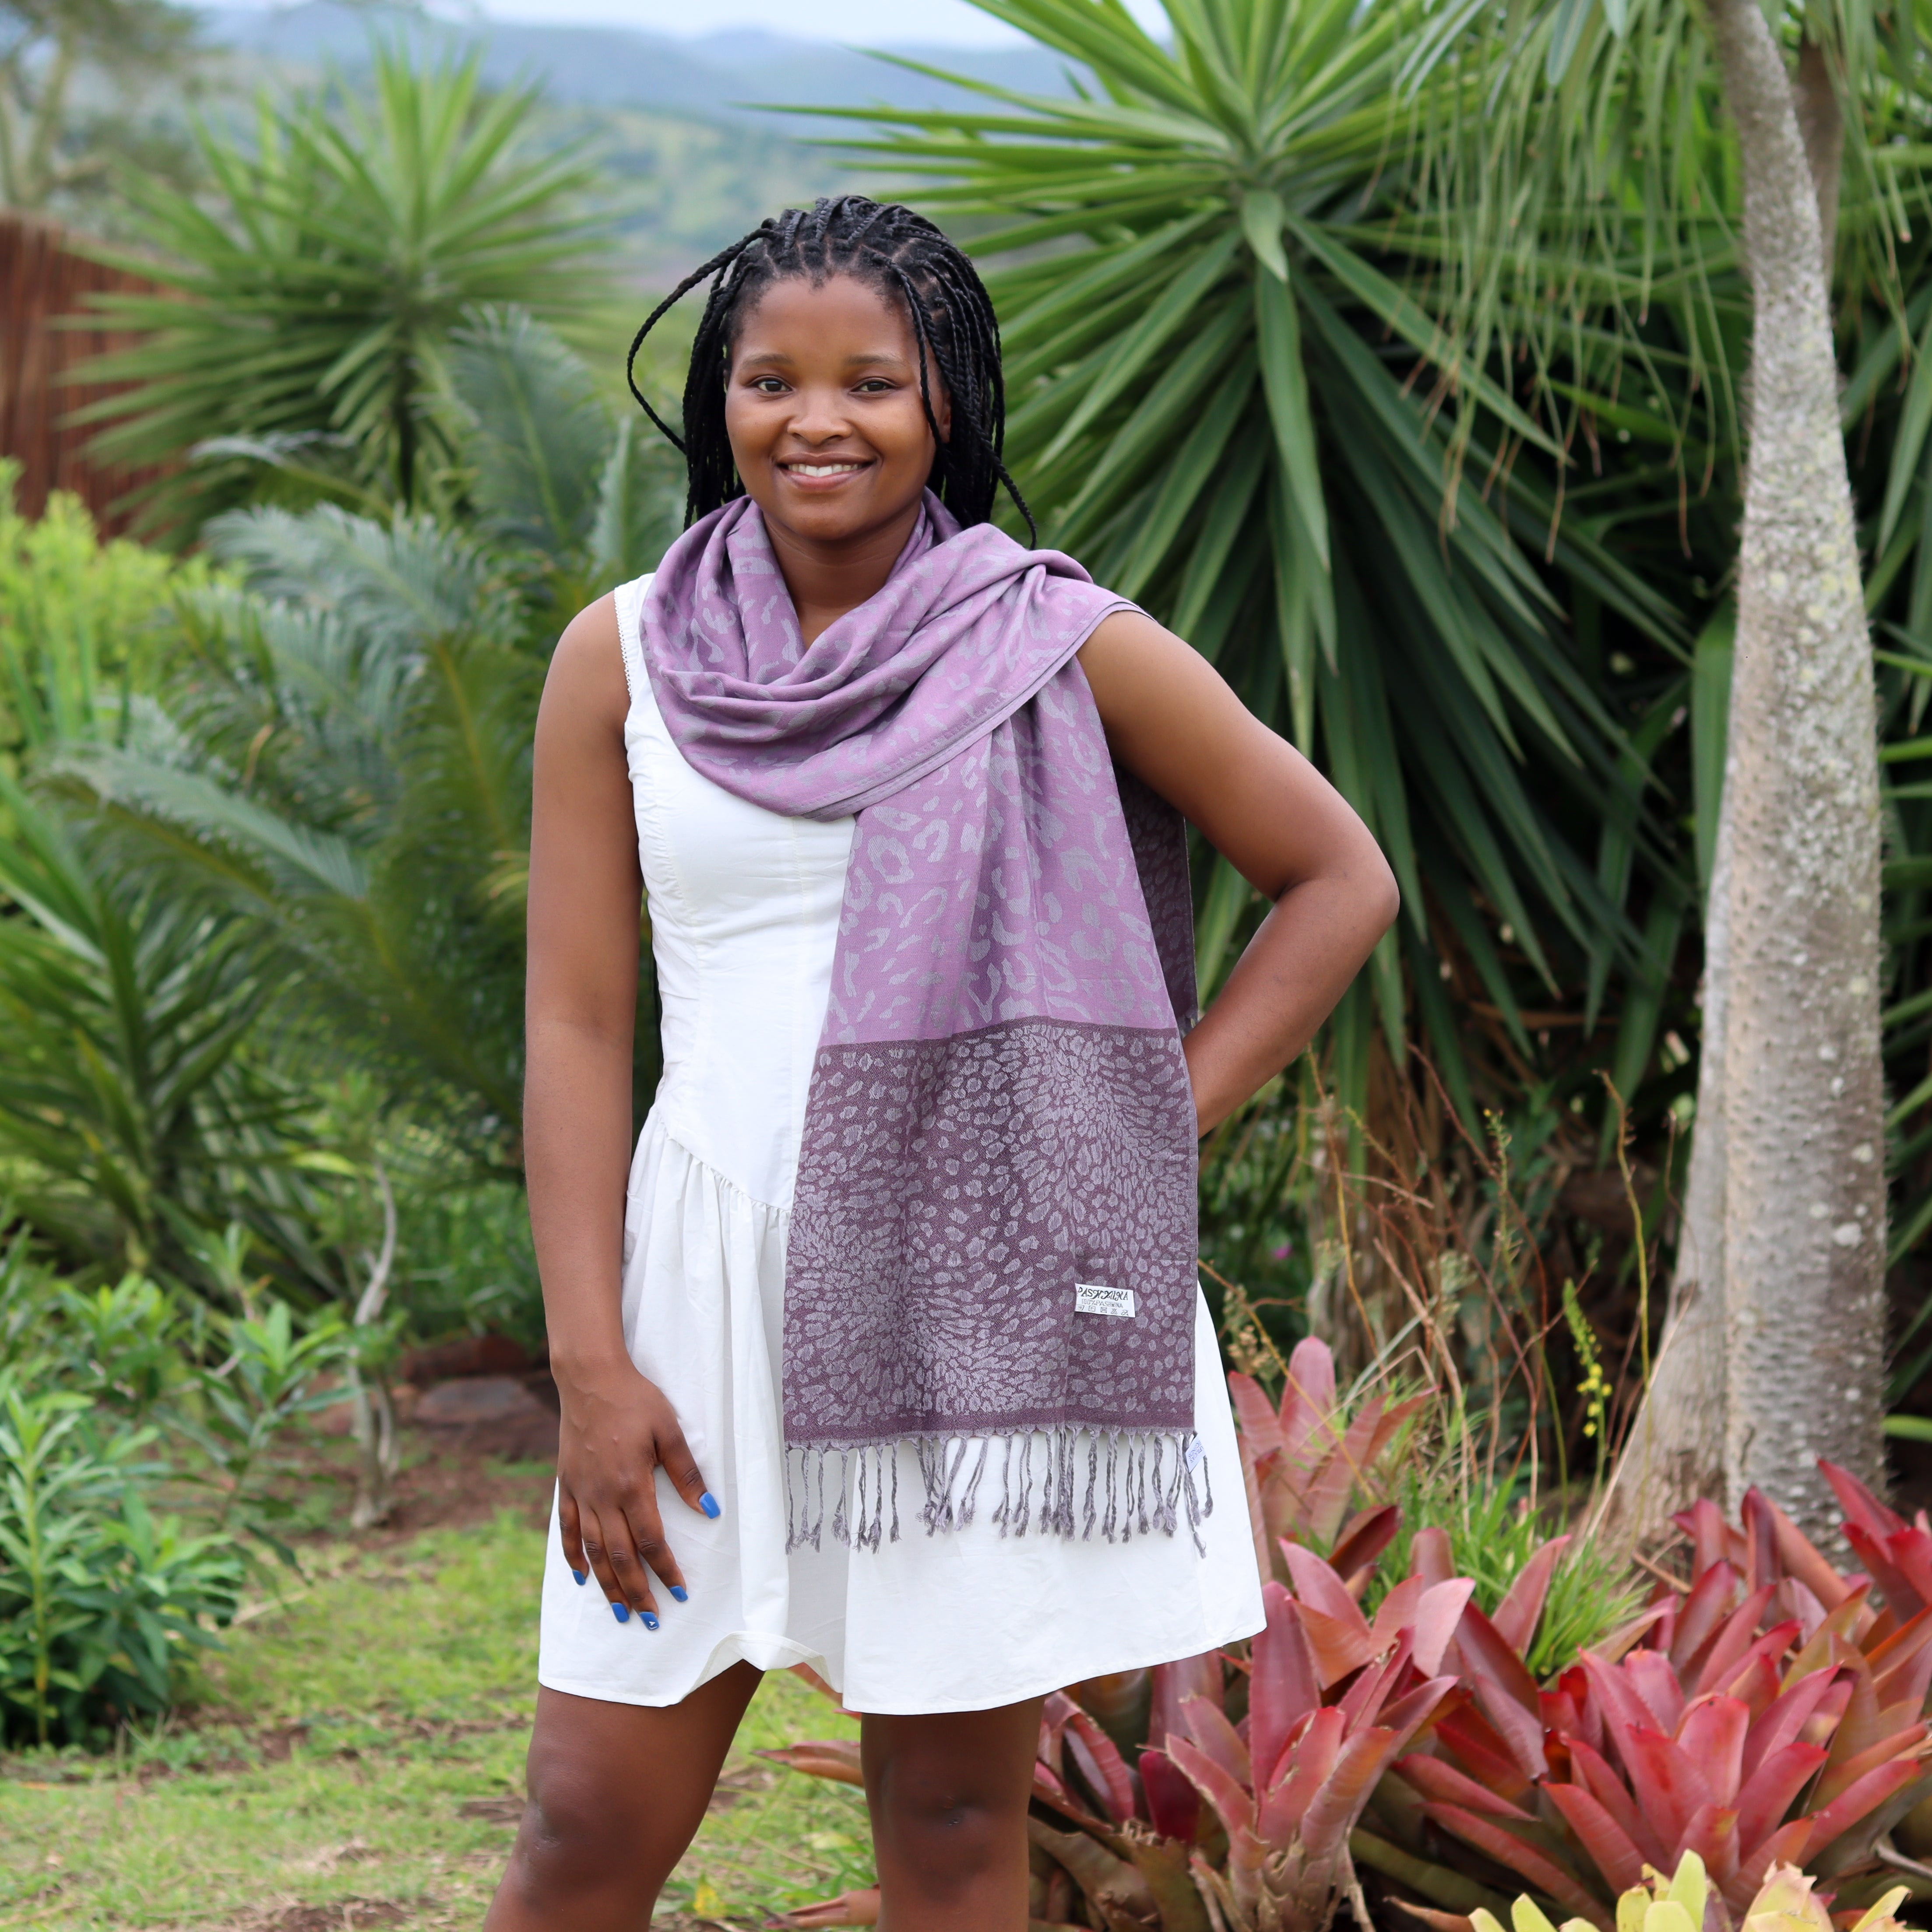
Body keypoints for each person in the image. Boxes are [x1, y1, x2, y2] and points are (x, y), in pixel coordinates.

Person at [487, 196, 1399, 1932]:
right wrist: (589, 1360)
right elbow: (579, 1024)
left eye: (869, 384)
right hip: (700, 1291)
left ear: (946, 410)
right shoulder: (621, 659)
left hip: (974, 1292)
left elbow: (1338, 878)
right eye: (770, 380)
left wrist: (1132, 1138)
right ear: (716, 401)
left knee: (955, 1820)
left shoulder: (1052, 642)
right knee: (585, 1822)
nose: (815, 419)